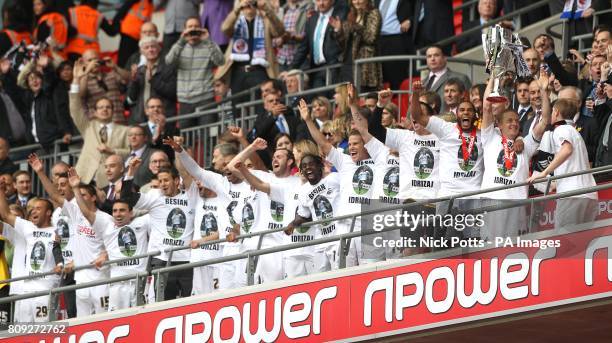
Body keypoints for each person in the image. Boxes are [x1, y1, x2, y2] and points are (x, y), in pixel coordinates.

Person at [29, 155, 109, 318]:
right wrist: (40, 172)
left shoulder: (105, 219)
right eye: (81, 196)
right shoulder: (75, 215)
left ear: (94, 197)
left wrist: (106, 254)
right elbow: (55, 196)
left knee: (104, 320)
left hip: (100, 279)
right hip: (79, 278)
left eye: (85, 195)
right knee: (80, 323)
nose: (81, 199)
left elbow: (113, 243)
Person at [479, 71, 550, 242]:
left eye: (517, 121)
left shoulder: (526, 144)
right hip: (492, 200)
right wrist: (494, 78)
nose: (514, 123)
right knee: (488, 248)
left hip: (517, 203)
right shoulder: (490, 138)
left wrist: (543, 91)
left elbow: (545, 120)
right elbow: (487, 107)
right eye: (509, 120)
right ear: (499, 125)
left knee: (514, 249)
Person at [69, 173, 151, 311]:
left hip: (139, 282)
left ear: (131, 213)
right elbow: (86, 212)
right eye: (115, 211)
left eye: (122, 211)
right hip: (116, 284)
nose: (118, 214)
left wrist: (131, 171)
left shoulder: (143, 223)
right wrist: (76, 188)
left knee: (141, 319)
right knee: (114, 320)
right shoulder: (106, 224)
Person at [120, 157, 197, 301]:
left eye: (166, 180)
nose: (162, 184)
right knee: (164, 303)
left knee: (189, 303)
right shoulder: (155, 196)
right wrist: (131, 171)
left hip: (187, 259)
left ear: (176, 181)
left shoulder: (190, 197)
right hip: (162, 259)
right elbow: (126, 197)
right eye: (160, 181)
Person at [528, 98, 598, 231]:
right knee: (582, 243)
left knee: (564, 240)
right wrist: (555, 183)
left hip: (571, 195)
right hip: (589, 195)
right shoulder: (575, 132)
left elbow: (567, 150)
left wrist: (544, 172)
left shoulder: (561, 129)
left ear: (556, 112)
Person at [0, 185, 60, 323]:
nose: (34, 211)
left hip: (46, 289)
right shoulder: (28, 227)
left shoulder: (57, 231)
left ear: (49, 212)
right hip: (25, 290)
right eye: (32, 208)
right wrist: (1, 191)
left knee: (44, 332)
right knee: (22, 332)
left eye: (39, 208)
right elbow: (6, 215)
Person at [70, 59, 130, 188]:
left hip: (109, 182)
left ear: (113, 111)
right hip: (85, 178)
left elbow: (131, 152)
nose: (104, 110)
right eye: (101, 107)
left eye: (108, 107)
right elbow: (75, 108)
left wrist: (112, 150)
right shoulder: (88, 126)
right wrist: (77, 79)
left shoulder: (124, 130)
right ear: (95, 112)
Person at [215, 0, 285, 103]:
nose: (249, 4)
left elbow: (280, 31)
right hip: (238, 71)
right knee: (237, 108)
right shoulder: (236, 20)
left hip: (259, 71)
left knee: (261, 105)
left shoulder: (264, 20)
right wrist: (237, 9)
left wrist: (267, 9)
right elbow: (225, 28)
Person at [165, 16, 224, 127]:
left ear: (201, 28)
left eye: (196, 26)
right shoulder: (179, 46)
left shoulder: (209, 44)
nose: (193, 29)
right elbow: (168, 61)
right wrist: (181, 41)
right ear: (184, 30)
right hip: (185, 101)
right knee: (186, 139)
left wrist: (208, 41)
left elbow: (220, 61)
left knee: (208, 137)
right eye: (190, 27)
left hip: (206, 99)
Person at [291, 0, 347, 88]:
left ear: (332, 1)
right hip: (316, 70)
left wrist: (339, 30)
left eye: (324, 0)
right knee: (318, 99)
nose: (321, 3)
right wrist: (291, 69)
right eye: (318, 0)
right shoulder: (312, 19)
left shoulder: (341, 15)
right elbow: (303, 48)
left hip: (335, 69)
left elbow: (346, 41)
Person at [331, 0, 382, 90]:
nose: (357, 2)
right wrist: (339, 31)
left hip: (364, 64)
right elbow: (343, 43)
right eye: (354, 0)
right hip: (348, 63)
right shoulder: (351, 14)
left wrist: (355, 25)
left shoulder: (373, 13)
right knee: (346, 96)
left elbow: (371, 38)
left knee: (361, 95)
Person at [127, 36, 177, 124]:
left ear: (159, 49)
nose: (150, 50)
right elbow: (131, 98)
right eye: (146, 47)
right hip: (142, 118)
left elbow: (172, 92)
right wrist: (133, 80)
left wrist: (153, 80)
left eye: (153, 46)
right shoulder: (139, 70)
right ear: (141, 52)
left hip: (163, 117)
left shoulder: (168, 68)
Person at [76, 49, 129, 123]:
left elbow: (129, 79)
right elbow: (81, 94)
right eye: (90, 60)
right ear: (84, 63)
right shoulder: (83, 81)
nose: (94, 62)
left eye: (95, 59)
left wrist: (115, 67)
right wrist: (86, 72)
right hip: (98, 126)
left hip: (119, 121)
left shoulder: (111, 75)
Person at [375, 0, 414, 90]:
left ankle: (398, 100)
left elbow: (416, 11)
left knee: (397, 75)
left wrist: (410, 21)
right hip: (379, 40)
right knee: (382, 77)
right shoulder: (377, 1)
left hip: (397, 38)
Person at [114, 0, 154, 68]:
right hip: (129, 34)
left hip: (136, 36)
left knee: (132, 62)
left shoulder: (149, 3)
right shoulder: (146, 3)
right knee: (124, 62)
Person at [275, 0, 310, 72]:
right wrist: (277, 41)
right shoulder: (281, 11)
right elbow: (273, 35)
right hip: (282, 60)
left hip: (300, 60)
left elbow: (307, 35)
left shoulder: (307, 8)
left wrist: (290, 36)